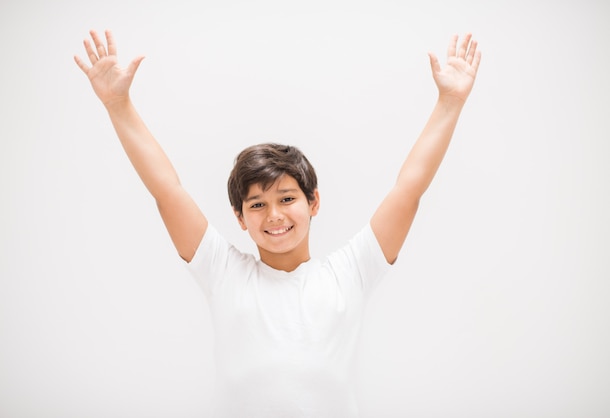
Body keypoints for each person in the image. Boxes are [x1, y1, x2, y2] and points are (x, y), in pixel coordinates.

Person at [75, 29, 481, 418]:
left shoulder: (350, 272)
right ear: (240, 217)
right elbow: (167, 189)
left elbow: (408, 189)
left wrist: (449, 103)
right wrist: (118, 105)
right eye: (257, 205)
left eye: (287, 199)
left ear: (313, 202)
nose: (274, 216)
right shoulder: (223, 271)